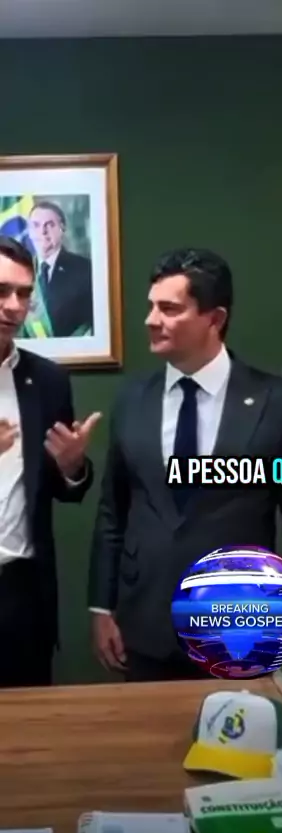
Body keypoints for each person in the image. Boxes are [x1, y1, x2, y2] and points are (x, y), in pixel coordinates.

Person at [88, 247, 282, 681]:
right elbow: (112, 512)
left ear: (214, 319)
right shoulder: (131, 400)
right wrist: (101, 607)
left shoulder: (279, 404)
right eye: (151, 306)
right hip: (143, 626)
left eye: (169, 309)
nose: (151, 319)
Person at [0, 236, 101, 687]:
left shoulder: (47, 380)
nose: (13, 306)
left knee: (31, 722)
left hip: (21, 594)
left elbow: (63, 488)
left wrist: (72, 467)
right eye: (2, 291)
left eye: (24, 293)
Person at [25, 200, 93, 338]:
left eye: (49, 225)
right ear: (29, 232)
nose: (42, 232)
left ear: (62, 229)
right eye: (36, 225)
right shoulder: (22, 270)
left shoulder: (85, 269)